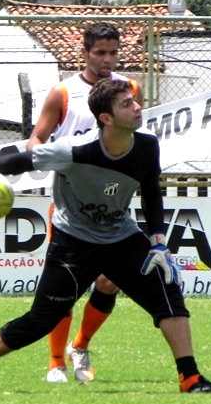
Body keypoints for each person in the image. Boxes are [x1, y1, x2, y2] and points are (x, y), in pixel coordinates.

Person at [0, 79, 211, 394]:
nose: (137, 107)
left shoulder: (147, 145)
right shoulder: (74, 149)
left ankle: (190, 379)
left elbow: (151, 190)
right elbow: (22, 159)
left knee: (168, 295)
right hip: (73, 243)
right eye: (126, 104)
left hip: (121, 237)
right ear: (106, 118)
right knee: (41, 320)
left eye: (134, 101)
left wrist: (159, 242)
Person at [27, 22, 143, 383]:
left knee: (109, 282)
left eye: (113, 52)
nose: (107, 59)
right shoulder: (63, 93)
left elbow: (133, 136)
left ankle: (81, 345)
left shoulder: (129, 88)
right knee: (66, 288)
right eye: (100, 53)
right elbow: (36, 138)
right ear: (85, 52)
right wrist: (43, 156)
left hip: (112, 203)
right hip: (71, 207)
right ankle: (56, 362)